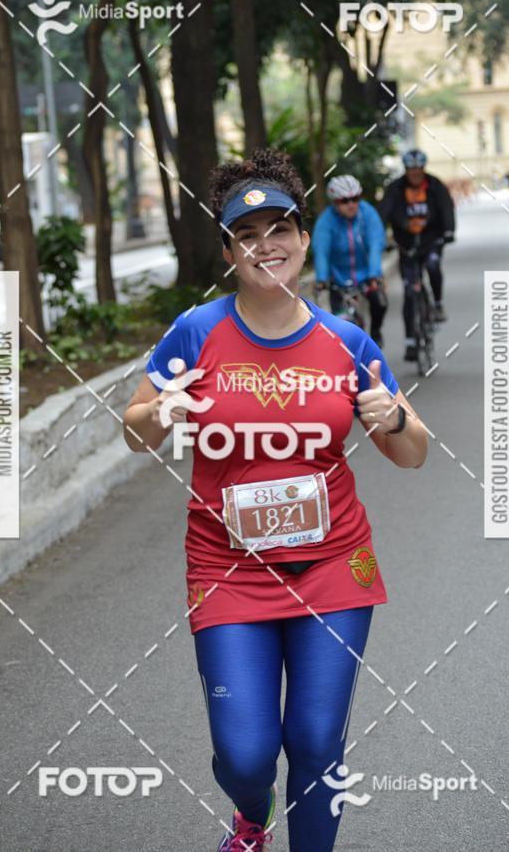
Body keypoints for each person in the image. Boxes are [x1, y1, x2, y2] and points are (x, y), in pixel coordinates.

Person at [123, 148, 428, 852]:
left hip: (332, 569)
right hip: (227, 572)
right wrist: (161, 412)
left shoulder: (346, 342)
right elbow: (134, 433)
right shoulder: (195, 333)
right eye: (248, 235)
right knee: (247, 754)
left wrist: (396, 419)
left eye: (281, 229)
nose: (268, 246)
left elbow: (413, 453)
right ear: (228, 251)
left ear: (301, 237)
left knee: (318, 741)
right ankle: (251, 815)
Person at [379, 149, 455, 361]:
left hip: (432, 240)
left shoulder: (434, 185)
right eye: (411, 169)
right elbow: (383, 212)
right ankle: (410, 340)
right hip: (406, 245)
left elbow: (446, 208)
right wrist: (381, 238)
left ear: (423, 168)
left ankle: (438, 303)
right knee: (409, 291)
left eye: (418, 169)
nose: (415, 173)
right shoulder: (395, 188)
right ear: (406, 170)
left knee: (432, 266)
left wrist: (449, 231)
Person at [312, 174, 388, 347]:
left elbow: (375, 243)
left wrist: (374, 273)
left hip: (367, 276)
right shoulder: (326, 221)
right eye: (345, 200)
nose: (351, 204)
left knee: (380, 304)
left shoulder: (367, 213)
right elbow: (321, 250)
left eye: (355, 199)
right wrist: (322, 279)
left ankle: (376, 332)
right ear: (335, 202)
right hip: (338, 280)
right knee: (341, 329)